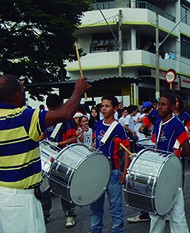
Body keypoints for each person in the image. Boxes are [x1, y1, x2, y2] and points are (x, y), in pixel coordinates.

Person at [0, 74, 90, 233]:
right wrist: (78, 91)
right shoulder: (23, 117)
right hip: (19, 199)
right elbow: (66, 113)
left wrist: (16, 86)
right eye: (22, 90)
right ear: (17, 95)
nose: (25, 92)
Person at [149, 92, 190, 233]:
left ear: (173, 107)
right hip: (159, 171)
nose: (159, 107)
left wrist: (175, 154)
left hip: (173, 171)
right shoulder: (157, 124)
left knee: (177, 213)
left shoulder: (177, 125)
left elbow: (187, 150)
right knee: (156, 210)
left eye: (163, 105)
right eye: (159, 104)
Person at [89, 95, 130, 233]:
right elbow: (94, 144)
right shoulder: (97, 125)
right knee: (95, 207)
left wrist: (125, 171)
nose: (103, 109)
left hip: (113, 171)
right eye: (102, 106)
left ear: (114, 108)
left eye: (107, 106)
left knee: (116, 208)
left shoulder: (119, 128)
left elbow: (126, 150)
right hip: (97, 172)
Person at [40, 94, 80, 228]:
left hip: (63, 157)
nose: (52, 112)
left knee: (63, 187)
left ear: (60, 106)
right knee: (43, 187)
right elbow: (43, 134)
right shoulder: (45, 117)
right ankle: (44, 214)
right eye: (50, 109)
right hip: (47, 156)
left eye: (54, 109)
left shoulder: (66, 119)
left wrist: (58, 143)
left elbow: (73, 138)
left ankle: (69, 214)